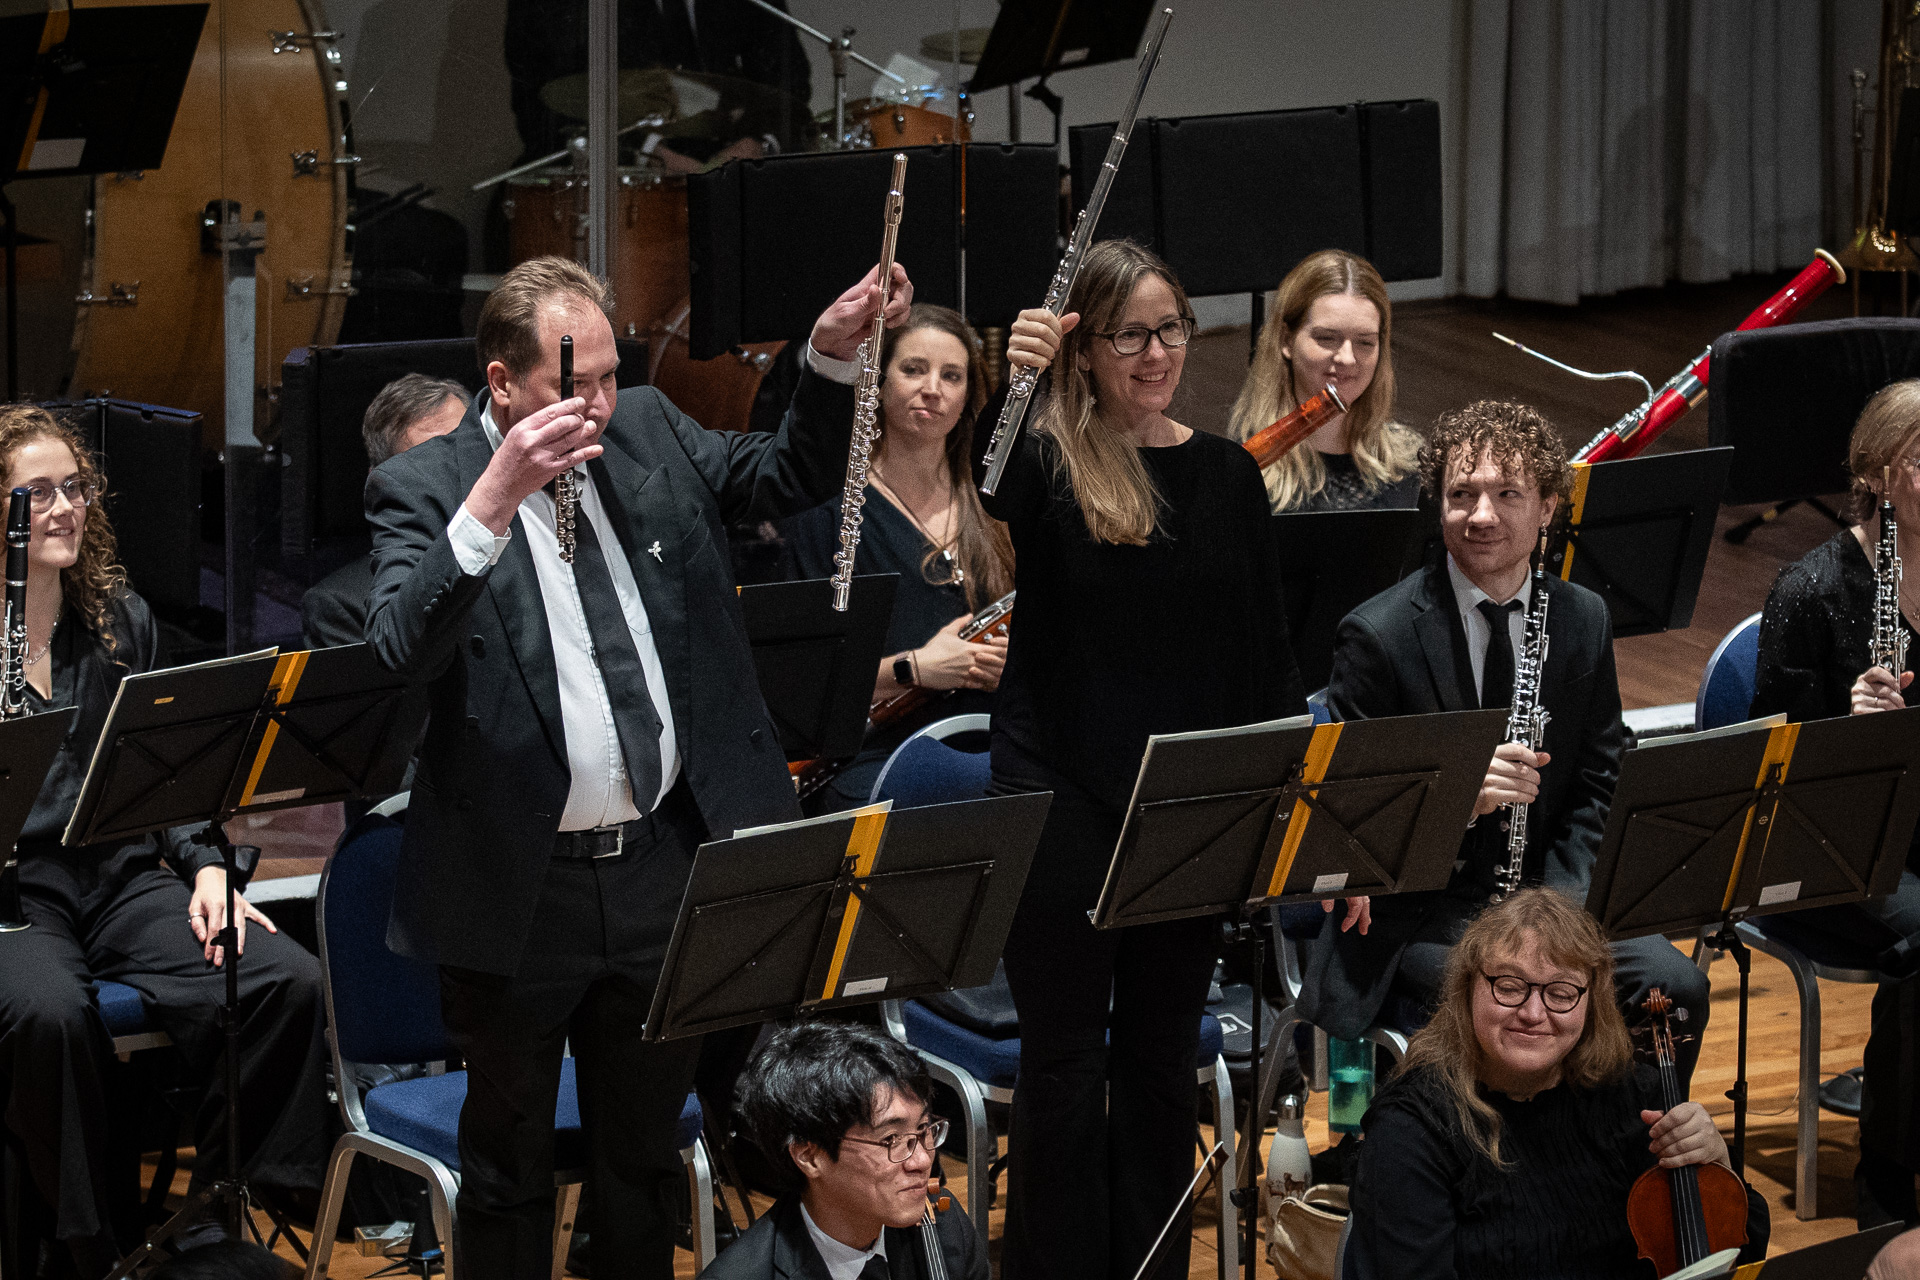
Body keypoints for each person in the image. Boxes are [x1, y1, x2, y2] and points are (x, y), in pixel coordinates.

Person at [362, 253, 910, 1280]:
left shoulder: (650, 428)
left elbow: (782, 474)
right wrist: (494, 499)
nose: (601, 403)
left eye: (610, 374)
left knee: (642, 1157)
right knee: (509, 1162)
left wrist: (833, 359)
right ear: (503, 382)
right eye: (576, 385)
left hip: (664, 864)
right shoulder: (424, 486)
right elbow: (398, 647)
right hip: (521, 887)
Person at [972, 238, 1314, 1280]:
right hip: (1064, 807)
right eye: (1132, 334)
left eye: (1172, 328)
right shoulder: (1042, 464)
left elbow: (1267, 658)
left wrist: (1283, 810)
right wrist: (1014, 378)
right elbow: (981, 479)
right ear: (1085, 348)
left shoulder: (1222, 473)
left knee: (1163, 1059)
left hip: (1187, 814)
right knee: (1067, 1065)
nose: (1158, 351)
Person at [0, 406, 329, 1279]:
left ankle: (215, 1215)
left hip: (113, 872)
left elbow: (168, 781)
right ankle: (88, 1247)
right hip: (15, 891)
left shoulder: (118, 621)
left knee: (277, 979)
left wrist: (210, 865)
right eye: (37, 494)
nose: (65, 507)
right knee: (48, 1014)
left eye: (75, 488)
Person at [1296, 400, 1712, 1078]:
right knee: (1517, 1002)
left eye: (1507, 494)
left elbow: (1600, 783)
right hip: (1429, 915)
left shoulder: (1580, 618)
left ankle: (1619, 1168)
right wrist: (1458, 800)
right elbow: (1347, 816)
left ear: (1548, 506)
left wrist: (1566, 910)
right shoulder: (1381, 635)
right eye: (1462, 495)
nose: (1481, 516)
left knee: (1676, 989)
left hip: (1552, 897)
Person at [1345, 887, 1768, 1278]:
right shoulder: (1411, 1132)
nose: (1532, 1013)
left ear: (1591, 1000)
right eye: (1508, 987)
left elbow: (1745, 1247)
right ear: (1467, 988)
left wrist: (1717, 1163)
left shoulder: (1635, 1096)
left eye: (1562, 993)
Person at [1749, 376, 1920, 1228]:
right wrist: (1846, 728)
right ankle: (1889, 1182)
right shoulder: (1813, 591)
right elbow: (1768, 772)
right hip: (1832, 844)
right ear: (1881, 474)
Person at [779, 303, 1060, 811]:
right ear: (879, 382)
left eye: (951, 376)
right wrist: (918, 668)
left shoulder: (995, 501)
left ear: (967, 396)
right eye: (913, 369)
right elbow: (803, 687)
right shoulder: (826, 511)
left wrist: (1014, 664)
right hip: (877, 757)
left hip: (994, 736)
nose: (933, 388)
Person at [702, 1021, 989, 1280]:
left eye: (924, 1129)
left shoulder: (946, 1227)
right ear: (809, 1156)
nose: (922, 1160)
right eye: (891, 1139)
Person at [502, 0, 810, 175]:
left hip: (730, 177)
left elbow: (790, 86)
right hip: (614, 185)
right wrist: (646, 154)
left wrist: (756, 143)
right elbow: (544, 113)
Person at [1226, 249, 1420, 513]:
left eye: (1365, 342)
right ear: (1286, 341)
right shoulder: (1243, 468)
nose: (1347, 359)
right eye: (1327, 338)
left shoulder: (1409, 463)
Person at [301, 374, 470, 649]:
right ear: (383, 481)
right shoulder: (343, 607)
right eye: (430, 462)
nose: (455, 473)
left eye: (462, 450)